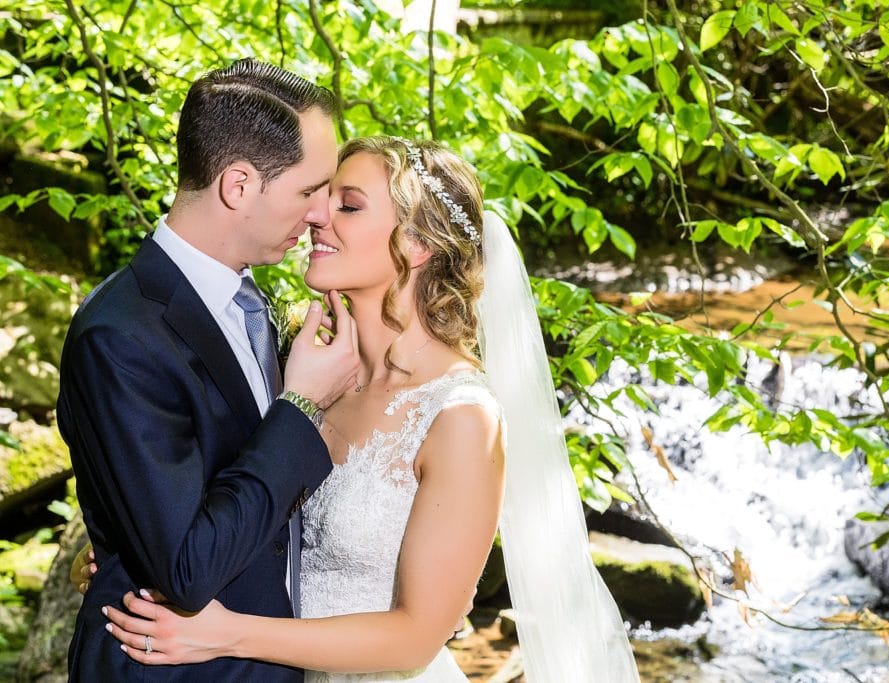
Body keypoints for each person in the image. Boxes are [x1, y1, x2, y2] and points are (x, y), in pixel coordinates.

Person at [102, 136, 642, 682]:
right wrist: (138, 550)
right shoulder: (299, 370)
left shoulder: (460, 417)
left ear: (417, 245)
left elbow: (413, 639)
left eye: (349, 205)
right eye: (322, 198)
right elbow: (224, 507)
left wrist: (228, 633)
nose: (317, 216)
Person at [57, 58, 360, 682]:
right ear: (238, 185)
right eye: (310, 190)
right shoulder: (120, 335)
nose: (321, 214)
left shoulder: (252, 304)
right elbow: (187, 569)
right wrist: (299, 407)